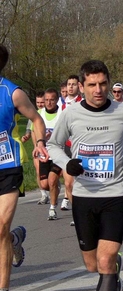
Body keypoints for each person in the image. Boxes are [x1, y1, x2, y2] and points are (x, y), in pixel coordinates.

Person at [47, 60, 123, 291]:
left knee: (105, 258)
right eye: (91, 85)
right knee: (93, 265)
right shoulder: (71, 114)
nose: (98, 90)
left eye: (102, 84)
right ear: (81, 86)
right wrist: (66, 164)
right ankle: (114, 268)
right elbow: (53, 145)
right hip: (84, 196)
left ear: (109, 83)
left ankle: (111, 269)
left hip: (116, 194)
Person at [0, 43, 49, 291]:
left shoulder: (12, 92)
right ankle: (14, 240)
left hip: (8, 165)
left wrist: (40, 142)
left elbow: (37, 119)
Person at [31, 88, 63, 220]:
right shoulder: (39, 114)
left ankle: (52, 209)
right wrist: (36, 145)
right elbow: (34, 131)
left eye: (52, 100)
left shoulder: (62, 114)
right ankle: (55, 186)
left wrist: (54, 136)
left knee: (51, 180)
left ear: (57, 100)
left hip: (57, 152)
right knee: (44, 184)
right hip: (44, 153)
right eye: (47, 100)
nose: (49, 103)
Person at [60, 75, 83, 212]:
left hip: (81, 147)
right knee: (68, 184)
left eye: (73, 84)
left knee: (80, 183)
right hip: (67, 146)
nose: (70, 87)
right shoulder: (62, 105)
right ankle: (77, 212)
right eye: (69, 84)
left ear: (79, 87)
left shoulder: (83, 103)